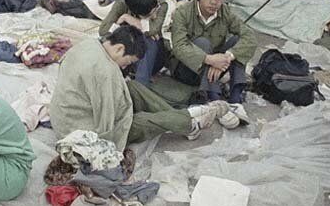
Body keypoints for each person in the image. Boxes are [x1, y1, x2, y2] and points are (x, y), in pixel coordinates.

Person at [51, 26, 232, 149]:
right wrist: (127, 117)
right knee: (141, 121)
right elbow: (107, 123)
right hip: (78, 130)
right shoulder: (104, 72)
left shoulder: (89, 44)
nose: (124, 67)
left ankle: (187, 121)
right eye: (128, 62)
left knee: (134, 87)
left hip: (69, 114)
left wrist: (124, 100)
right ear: (120, 49)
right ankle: (189, 120)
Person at [170, 0, 256, 108]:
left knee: (237, 39)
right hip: (187, 70)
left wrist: (227, 56)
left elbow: (249, 36)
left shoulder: (225, 11)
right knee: (203, 43)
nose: (214, 2)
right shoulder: (183, 13)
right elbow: (179, 46)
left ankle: (236, 96)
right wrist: (209, 59)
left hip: (217, 67)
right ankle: (214, 98)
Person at [98, 0, 170, 86]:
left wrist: (129, 19)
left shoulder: (161, 5)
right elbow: (103, 30)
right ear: (135, 12)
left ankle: (141, 85)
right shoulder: (121, 4)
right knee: (107, 41)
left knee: (148, 38)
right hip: (127, 53)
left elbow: (153, 30)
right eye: (149, 15)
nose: (154, 16)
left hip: (153, 57)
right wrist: (121, 23)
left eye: (154, 11)